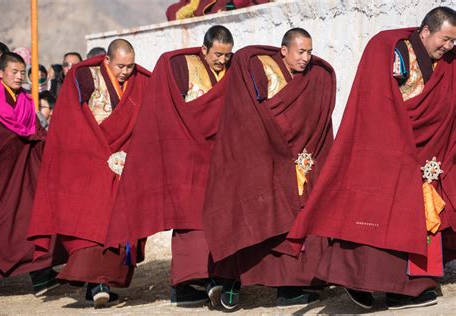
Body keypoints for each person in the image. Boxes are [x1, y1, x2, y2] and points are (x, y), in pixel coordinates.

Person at [287, 6, 456, 311]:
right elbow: (377, 100)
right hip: (385, 146)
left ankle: (404, 289)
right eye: (445, 39)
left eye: (454, 42)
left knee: (415, 215)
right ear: (427, 31)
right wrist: (395, 145)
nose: (449, 47)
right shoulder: (393, 50)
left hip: (424, 154)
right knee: (370, 212)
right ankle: (357, 282)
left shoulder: (447, 65)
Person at [201, 28, 336, 310]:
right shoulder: (261, 69)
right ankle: (231, 284)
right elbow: (248, 114)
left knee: (292, 224)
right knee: (248, 216)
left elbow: (317, 122)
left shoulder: (314, 79)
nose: (306, 58)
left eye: (310, 52)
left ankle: (289, 288)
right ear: (284, 50)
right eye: (301, 52)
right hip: (261, 156)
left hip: (296, 162)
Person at [105, 25, 234, 306]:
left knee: (218, 216)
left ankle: (212, 278)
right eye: (218, 54)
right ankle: (186, 285)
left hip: (219, 156)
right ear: (204, 50)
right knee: (189, 218)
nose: (222, 60)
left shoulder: (232, 71)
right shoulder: (182, 66)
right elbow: (168, 108)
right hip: (188, 155)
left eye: (227, 55)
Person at [28, 39, 151, 308]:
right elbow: (72, 121)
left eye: (130, 66)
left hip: (124, 163)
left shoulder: (140, 81)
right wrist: (98, 154)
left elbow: (147, 121)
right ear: (107, 60)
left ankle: (103, 281)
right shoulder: (84, 77)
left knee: (119, 222)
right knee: (92, 221)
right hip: (90, 159)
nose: (125, 71)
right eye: (120, 66)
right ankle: (97, 283)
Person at [0, 52, 62, 296]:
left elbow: (37, 133)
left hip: (25, 176)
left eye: (21, 72)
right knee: (0, 228)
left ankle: (41, 275)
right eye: (13, 72)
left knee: (34, 220)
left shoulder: (26, 101)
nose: (18, 77)